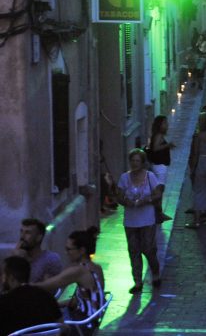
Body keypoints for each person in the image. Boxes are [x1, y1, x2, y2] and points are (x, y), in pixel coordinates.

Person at [34, 227, 105, 332]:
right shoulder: (96, 267)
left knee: (35, 322)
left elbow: (48, 285)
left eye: (69, 249)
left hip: (81, 324)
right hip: (91, 321)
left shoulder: (78, 271)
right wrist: (56, 305)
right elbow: (82, 300)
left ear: (82, 250)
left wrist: (25, 285)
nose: (67, 252)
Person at [112, 148, 162, 294]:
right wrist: (125, 201)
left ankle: (156, 274)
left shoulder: (150, 176)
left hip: (147, 219)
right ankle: (137, 281)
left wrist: (146, 200)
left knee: (149, 249)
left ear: (142, 162)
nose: (134, 163)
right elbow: (119, 196)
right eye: (132, 161)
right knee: (133, 251)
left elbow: (158, 193)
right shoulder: (124, 178)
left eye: (137, 161)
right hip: (131, 221)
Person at [0, 256, 62, 336]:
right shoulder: (46, 296)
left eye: (2, 275)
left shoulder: (4, 302)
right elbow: (61, 325)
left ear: (11, 278)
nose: (1, 279)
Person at [13, 218, 62, 283]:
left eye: (28, 233)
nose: (22, 236)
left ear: (39, 237)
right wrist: (14, 260)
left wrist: (27, 261)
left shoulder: (51, 259)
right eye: (21, 231)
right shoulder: (17, 256)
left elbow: (48, 289)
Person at [148, 115, 175, 223]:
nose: (167, 125)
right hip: (159, 166)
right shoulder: (158, 135)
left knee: (159, 189)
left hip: (160, 166)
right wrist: (167, 145)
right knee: (159, 189)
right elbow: (155, 148)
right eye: (165, 123)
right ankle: (158, 214)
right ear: (160, 125)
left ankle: (158, 213)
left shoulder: (157, 135)